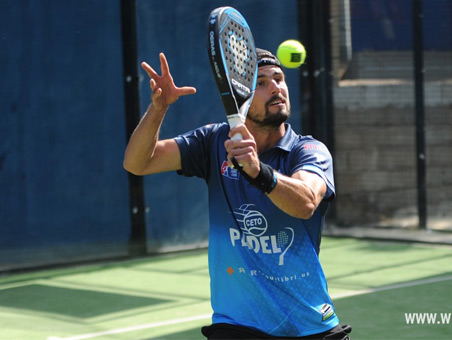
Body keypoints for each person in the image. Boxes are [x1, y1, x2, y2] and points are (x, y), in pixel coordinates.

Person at [123, 49, 351, 339]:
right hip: (236, 327)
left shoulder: (308, 150)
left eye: (279, 79)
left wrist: (258, 171)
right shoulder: (213, 142)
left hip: (309, 326)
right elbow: (137, 162)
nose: (276, 88)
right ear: (238, 97)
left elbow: (305, 202)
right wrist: (158, 110)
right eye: (261, 83)